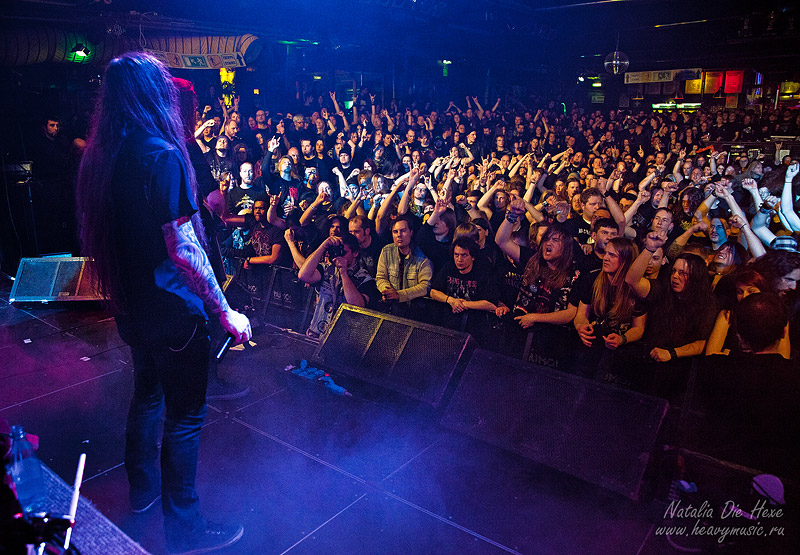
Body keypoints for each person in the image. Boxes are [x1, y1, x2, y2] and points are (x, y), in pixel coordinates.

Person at [75, 53, 249, 554]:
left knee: (147, 396)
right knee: (185, 417)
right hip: (173, 312)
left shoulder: (103, 157)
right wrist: (225, 312)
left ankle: (143, 496)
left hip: (131, 308)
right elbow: (185, 249)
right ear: (156, 96)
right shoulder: (162, 155)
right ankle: (186, 532)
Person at [298, 232, 378, 338]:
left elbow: (358, 305)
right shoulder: (326, 270)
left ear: (355, 253)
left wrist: (344, 273)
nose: (338, 256)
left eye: (343, 253)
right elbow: (303, 275)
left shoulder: (365, 278)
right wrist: (323, 246)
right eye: (335, 252)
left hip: (343, 339)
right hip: (317, 333)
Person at [375, 215, 433, 318]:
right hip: (391, 309)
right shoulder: (386, 251)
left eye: (403, 231)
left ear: (411, 232)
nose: (399, 235)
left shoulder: (422, 257)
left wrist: (399, 295)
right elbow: (380, 277)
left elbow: (425, 286)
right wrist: (388, 292)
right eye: (395, 232)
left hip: (415, 313)